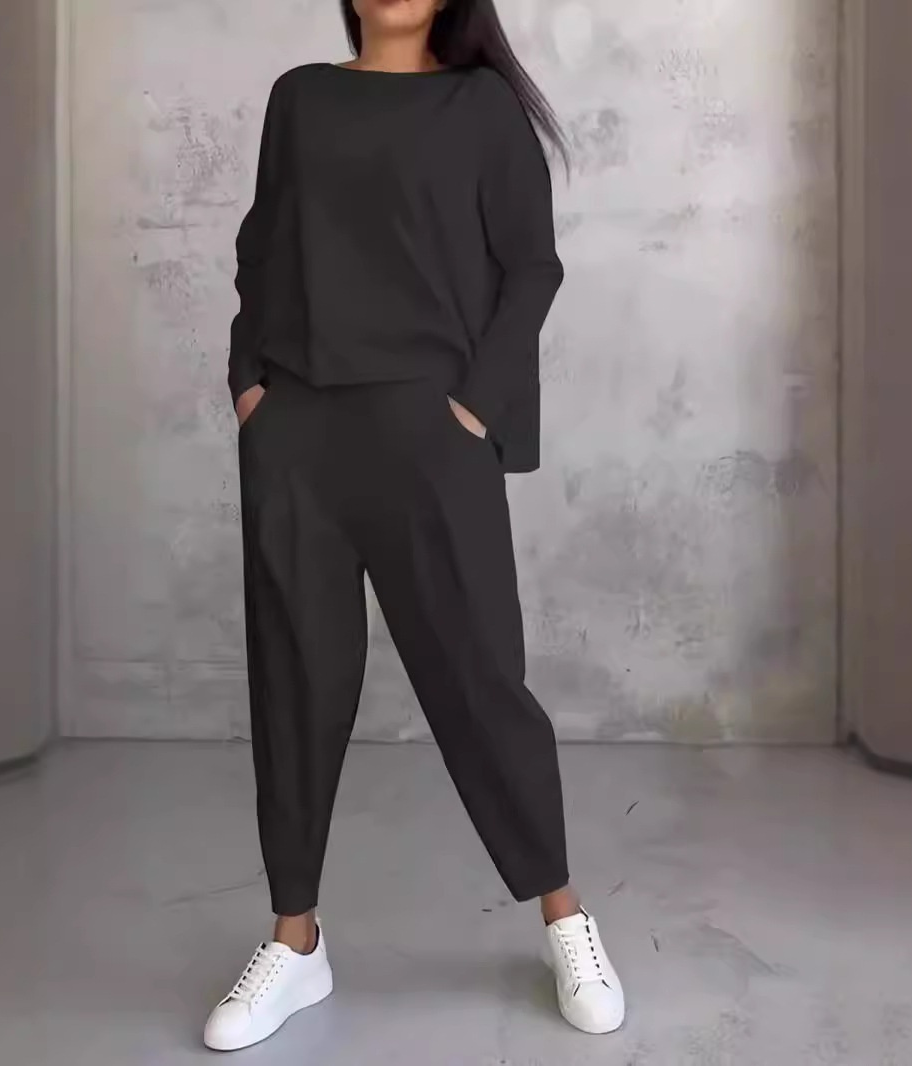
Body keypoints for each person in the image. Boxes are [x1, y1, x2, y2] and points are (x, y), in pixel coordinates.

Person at [203, 0, 624, 1050]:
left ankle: (564, 917)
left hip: (429, 430)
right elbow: (262, 247)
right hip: (298, 429)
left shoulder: (480, 107)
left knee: (481, 677)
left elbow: (531, 265)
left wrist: (472, 406)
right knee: (295, 681)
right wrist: (250, 384)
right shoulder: (302, 100)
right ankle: (295, 941)